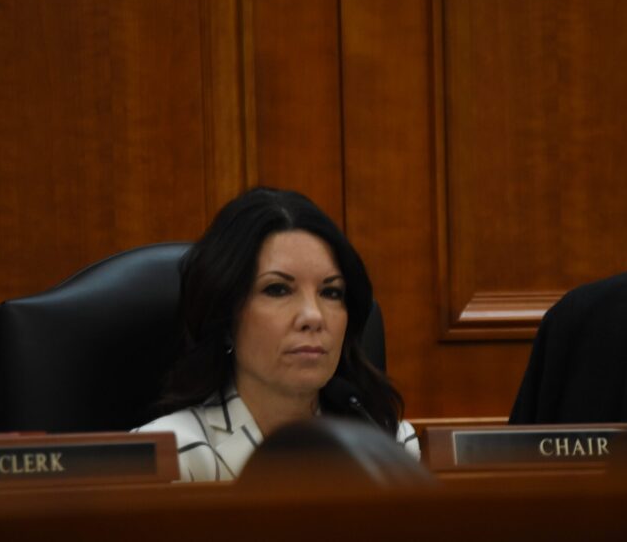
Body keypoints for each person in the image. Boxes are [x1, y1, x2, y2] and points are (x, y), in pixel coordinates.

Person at [134, 187, 420, 481]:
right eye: (278, 289)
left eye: (331, 292)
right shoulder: (173, 455)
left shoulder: (389, 444)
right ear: (225, 318)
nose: (314, 316)